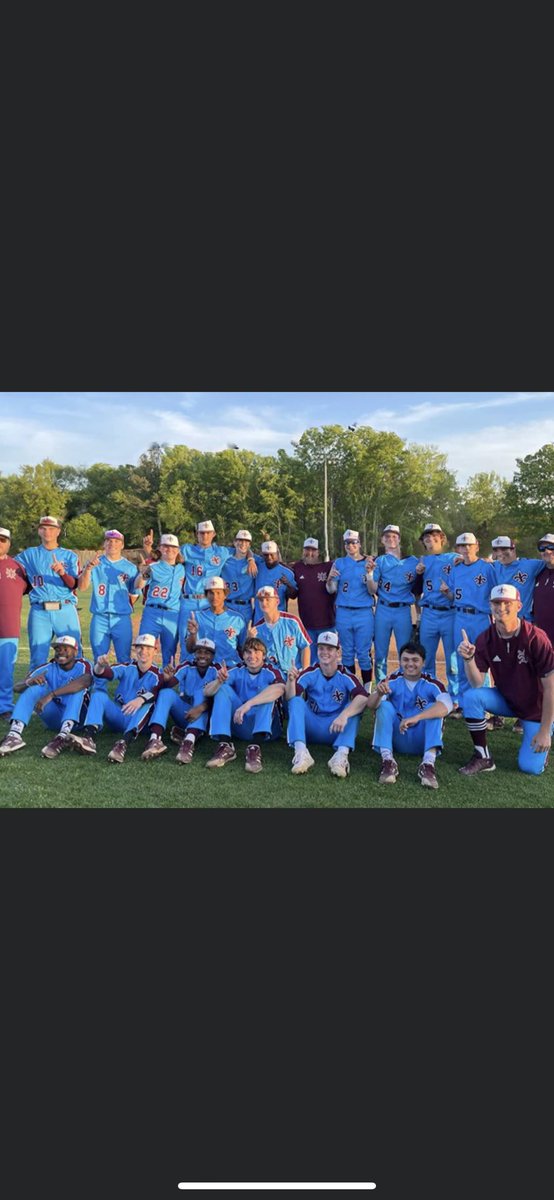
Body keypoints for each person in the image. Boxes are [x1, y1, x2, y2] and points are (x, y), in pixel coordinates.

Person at [457, 584, 554, 777]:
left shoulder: (536, 638)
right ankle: (483, 756)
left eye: (507, 603)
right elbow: (477, 683)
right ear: (490, 606)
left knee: (530, 768)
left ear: (519, 605)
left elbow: (551, 688)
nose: (501, 607)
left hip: (535, 709)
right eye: (497, 603)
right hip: (507, 700)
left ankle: (549, 730)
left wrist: (543, 731)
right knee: (472, 696)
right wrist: (468, 660)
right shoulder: (486, 637)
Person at [367, 640, 453, 789]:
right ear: (400, 661)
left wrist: (417, 717)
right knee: (384, 705)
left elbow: (447, 706)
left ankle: (427, 764)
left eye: (415, 660)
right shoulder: (392, 680)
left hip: (422, 740)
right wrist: (379, 694)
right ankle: (388, 761)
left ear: (423, 663)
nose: (410, 664)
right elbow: (371, 705)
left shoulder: (432, 683)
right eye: (405, 660)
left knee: (434, 708)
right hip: (397, 738)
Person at [285, 630, 368, 777]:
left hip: (335, 727)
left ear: (338, 652)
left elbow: (363, 697)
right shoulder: (310, 672)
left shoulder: (346, 675)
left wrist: (344, 715)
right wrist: (291, 681)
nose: (325, 652)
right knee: (296, 701)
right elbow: (291, 697)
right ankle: (301, 753)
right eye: (321, 648)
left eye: (329, 649)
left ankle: (341, 755)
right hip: (311, 727)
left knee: (354, 708)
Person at [74, 633, 165, 763]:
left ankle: (123, 743)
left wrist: (141, 699)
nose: (143, 651)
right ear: (135, 649)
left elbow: (158, 691)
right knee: (99, 695)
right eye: (140, 647)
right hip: (119, 714)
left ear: (155, 651)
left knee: (149, 703)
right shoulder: (127, 666)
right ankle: (89, 738)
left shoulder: (158, 673)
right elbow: (107, 674)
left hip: (139, 721)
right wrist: (99, 665)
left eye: (148, 648)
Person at [0, 636, 92, 759]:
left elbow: (84, 682)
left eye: (66, 649)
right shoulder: (48, 667)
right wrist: (30, 682)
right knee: (35, 688)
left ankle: (63, 736)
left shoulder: (83, 665)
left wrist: (51, 695)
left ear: (75, 652)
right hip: (54, 719)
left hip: (78, 719)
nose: (61, 652)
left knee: (77, 691)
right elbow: (16, 688)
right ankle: (14, 735)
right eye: (58, 649)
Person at [203, 635, 286, 771]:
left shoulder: (271, 671)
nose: (251, 656)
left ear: (264, 655)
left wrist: (248, 704)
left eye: (256, 652)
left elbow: (280, 689)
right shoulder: (237, 670)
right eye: (248, 652)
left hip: (268, 730)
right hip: (240, 723)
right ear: (243, 655)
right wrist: (219, 681)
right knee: (223, 688)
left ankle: (254, 749)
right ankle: (225, 745)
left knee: (268, 693)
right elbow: (206, 691)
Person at [15, 515, 82, 671]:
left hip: (64, 608)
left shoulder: (69, 555)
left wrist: (62, 573)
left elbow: (74, 585)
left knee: (73, 654)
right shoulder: (29, 554)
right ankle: (39, 693)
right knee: (37, 657)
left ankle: (77, 693)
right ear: (39, 531)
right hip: (39, 610)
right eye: (43, 528)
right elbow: (8, 565)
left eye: (52, 529)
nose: (47, 532)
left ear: (58, 531)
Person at [438, 532, 496, 708]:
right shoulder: (456, 568)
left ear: (477, 545)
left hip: (480, 617)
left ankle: (483, 703)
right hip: (460, 616)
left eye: (469, 545)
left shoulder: (487, 567)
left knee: (481, 661)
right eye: (462, 546)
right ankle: (463, 703)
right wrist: (447, 593)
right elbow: (454, 596)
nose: (465, 549)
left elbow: (496, 591)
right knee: (462, 658)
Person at [140, 637, 219, 763]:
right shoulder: (187, 665)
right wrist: (167, 679)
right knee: (166, 693)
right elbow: (171, 683)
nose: (202, 656)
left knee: (201, 693)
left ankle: (188, 743)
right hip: (186, 712)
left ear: (213, 655)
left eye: (207, 652)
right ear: (194, 653)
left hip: (206, 714)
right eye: (199, 652)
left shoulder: (218, 670)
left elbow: (220, 700)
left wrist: (200, 708)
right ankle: (155, 739)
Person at [413, 523, 460, 712]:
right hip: (429, 613)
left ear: (442, 538)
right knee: (427, 657)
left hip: (449, 612)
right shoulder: (422, 561)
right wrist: (417, 574)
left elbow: (471, 563)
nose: (430, 540)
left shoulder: (454, 558)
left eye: (434, 537)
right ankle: (429, 695)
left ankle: (455, 698)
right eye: (426, 538)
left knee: (452, 660)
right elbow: (415, 590)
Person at [78, 528, 140, 664]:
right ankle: (100, 686)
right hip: (100, 617)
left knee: (124, 659)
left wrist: (122, 605)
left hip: (121, 618)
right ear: (104, 544)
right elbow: (82, 587)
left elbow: (135, 593)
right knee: (99, 658)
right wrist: (88, 569)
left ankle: (125, 686)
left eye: (116, 541)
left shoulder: (130, 567)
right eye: (109, 541)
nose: (112, 544)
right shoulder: (95, 563)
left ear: (122, 545)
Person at [367, 525, 419, 682]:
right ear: (382, 540)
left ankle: (405, 684)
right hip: (383, 608)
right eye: (387, 536)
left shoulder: (413, 561)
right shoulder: (380, 561)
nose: (391, 539)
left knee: (405, 651)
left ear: (399, 539)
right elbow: (372, 590)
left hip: (403, 610)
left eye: (394, 536)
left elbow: (420, 586)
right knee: (380, 652)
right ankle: (381, 688)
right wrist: (369, 574)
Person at [179, 520, 256, 621]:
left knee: (206, 635)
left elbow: (243, 548)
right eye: (202, 533)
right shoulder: (187, 549)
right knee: (183, 635)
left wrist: (251, 559)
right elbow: (168, 554)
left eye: (208, 533)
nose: (205, 536)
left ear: (213, 534)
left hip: (208, 602)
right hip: (188, 600)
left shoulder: (221, 552)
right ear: (197, 534)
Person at [326, 529, 374, 685]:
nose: (350, 545)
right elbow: (331, 590)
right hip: (344, 611)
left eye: (353, 542)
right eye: (347, 543)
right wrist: (329, 580)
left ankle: (367, 690)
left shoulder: (369, 562)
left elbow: (373, 590)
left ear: (359, 544)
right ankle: (352, 688)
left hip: (364, 612)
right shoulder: (339, 563)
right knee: (347, 653)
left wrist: (369, 574)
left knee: (363, 653)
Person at [134, 534, 185, 666]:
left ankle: (166, 683)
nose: (170, 550)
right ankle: (144, 681)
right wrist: (143, 573)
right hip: (152, 612)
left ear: (178, 549)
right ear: (160, 548)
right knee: (145, 647)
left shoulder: (182, 568)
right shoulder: (153, 566)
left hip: (172, 614)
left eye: (173, 547)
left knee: (170, 652)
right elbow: (138, 585)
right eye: (166, 547)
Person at [288, 537, 335, 662]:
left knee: (327, 659)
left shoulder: (328, 567)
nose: (310, 553)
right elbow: (293, 594)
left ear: (318, 552)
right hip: (306, 624)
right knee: (309, 660)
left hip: (327, 623)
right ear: (303, 551)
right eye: (307, 550)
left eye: (313, 550)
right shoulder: (296, 568)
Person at [184, 576, 247, 666]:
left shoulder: (237, 619)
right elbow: (190, 649)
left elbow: (243, 649)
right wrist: (193, 634)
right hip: (204, 667)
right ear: (206, 595)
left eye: (218, 593)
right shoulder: (197, 617)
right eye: (211, 593)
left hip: (230, 666)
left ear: (225, 595)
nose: (215, 597)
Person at [0, 527, 29, 719]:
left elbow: (29, 588)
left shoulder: (17, 567)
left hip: (7, 624)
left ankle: (4, 706)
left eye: (3, 540)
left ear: (9, 543)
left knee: (5, 668)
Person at [253, 585, 311, 675]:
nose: (264, 603)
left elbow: (305, 646)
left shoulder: (292, 621)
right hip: (272, 675)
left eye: (268, 599)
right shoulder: (257, 629)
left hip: (295, 672)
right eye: (261, 600)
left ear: (277, 601)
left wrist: (304, 672)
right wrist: (250, 639)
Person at [491, 536, 544, 620]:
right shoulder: (494, 566)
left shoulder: (530, 565)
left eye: (504, 549)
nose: (500, 553)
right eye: (496, 550)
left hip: (523, 619)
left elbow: (549, 561)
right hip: (502, 619)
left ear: (513, 549)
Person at [252, 541, 297, 622]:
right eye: (266, 554)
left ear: (277, 553)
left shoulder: (287, 572)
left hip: (278, 620)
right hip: (258, 619)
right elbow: (246, 551)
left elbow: (294, 595)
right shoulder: (257, 566)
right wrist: (250, 560)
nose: (269, 557)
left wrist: (288, 584)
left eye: (272, 554)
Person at [221, 530, 257, 618]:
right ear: (234, 542)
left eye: (246, 541)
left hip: (246, 606)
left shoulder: (256, 560)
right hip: (228, 604)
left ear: (249, 545)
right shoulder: (225, 557)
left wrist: (251, 559)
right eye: (240, 540)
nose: (243, 543)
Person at [532, 533, 554, 646]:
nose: (547, 551)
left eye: (551, 547)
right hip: (541, 638)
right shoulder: (538, 573)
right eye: (542, 548)